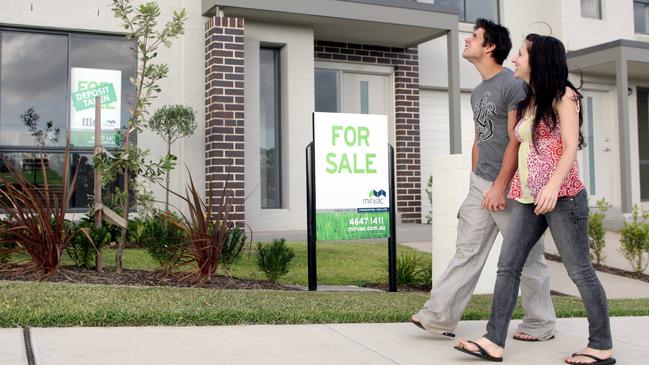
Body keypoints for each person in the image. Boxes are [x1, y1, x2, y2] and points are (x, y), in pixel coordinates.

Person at [454, 34, 615, 365]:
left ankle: (601, 345)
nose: (514, 59)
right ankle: (493, 341)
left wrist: (552, 186)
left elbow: (570, 146)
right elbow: (521, 146)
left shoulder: (563, 96)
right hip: (527, 199)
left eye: (521, 54)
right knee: (507, 266)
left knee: (580, 271)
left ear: (539, 60)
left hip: (563, 198)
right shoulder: (530, 100)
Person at [410, 19, 556, 341]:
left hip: (513, 186)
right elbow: (479, 139)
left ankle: (540, 323)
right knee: (467, 251)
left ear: (489, 47)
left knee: (527, 257)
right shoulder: (478, 92)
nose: (467, 40)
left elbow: (517, 140)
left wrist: (501, 185)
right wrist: (477, 181)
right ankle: (439, 316)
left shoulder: (512, 85)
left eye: (474, 37)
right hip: (482, 183)